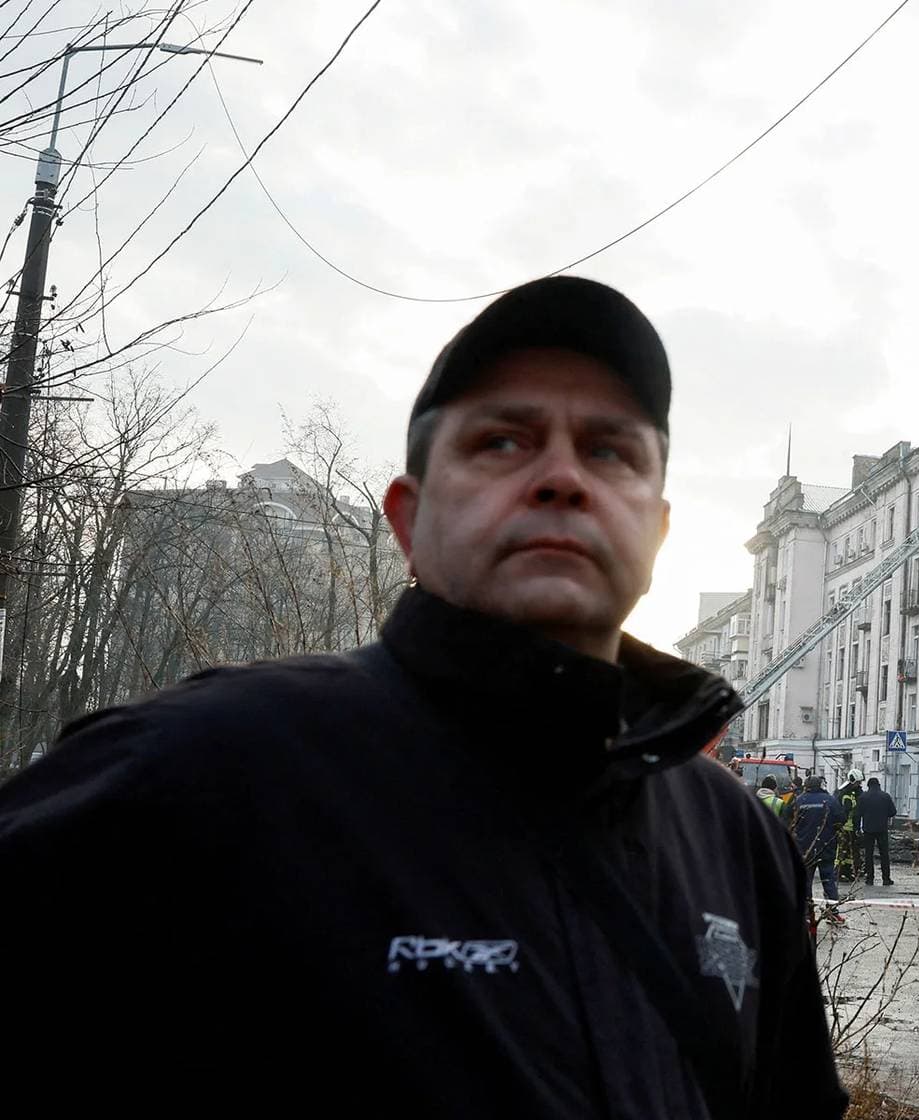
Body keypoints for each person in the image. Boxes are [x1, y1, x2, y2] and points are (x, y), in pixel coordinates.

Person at [0, 276, 846, 1117]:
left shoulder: (738, 841)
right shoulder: (199, 775)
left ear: (657, 531)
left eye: (610, 450)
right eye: (503, 444)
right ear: (407, 519)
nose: (563, 478)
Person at [791, 774, 847, 905]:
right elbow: (841, 819)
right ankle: (832, 911)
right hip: (826, 847)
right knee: (828, 880)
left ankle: (807, 913)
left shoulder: (799, 800)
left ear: (806, 787)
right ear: (820, 785)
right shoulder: (830, 800)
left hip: (805, 848)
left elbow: (789, 820)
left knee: (805, 881)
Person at [857, 777, 898, 886]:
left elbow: (858, 813)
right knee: (884, 854)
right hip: (882, 829)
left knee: (868, 854)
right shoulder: (885, 796)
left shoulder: (863, 797)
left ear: (868, 786)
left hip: (868, 829)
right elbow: (893, 812)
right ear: (879, 785)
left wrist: (858, 828)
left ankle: (869, 878)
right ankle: (886, 878)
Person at [836, 771, 863, 879]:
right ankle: (838, 872)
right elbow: (847, 810)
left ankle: (847, 871)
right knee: (842, 850)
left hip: (851, 827)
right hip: (845, 827)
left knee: (849, 852)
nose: (859, 784)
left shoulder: (854, 792)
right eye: (858, 782)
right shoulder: (845, 794)